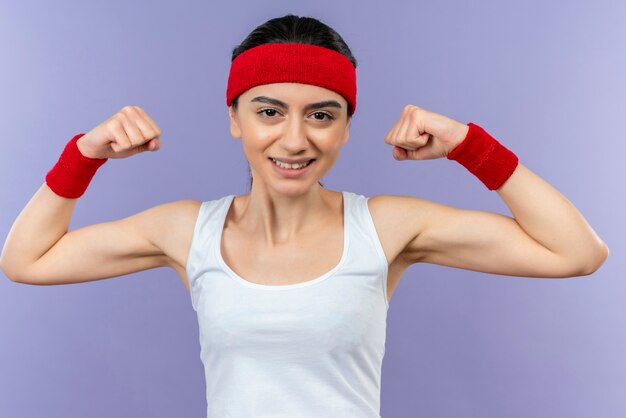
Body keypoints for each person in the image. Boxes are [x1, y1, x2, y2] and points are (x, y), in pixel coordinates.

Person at [0, 13, 609, 418]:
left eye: (321, 114)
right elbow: (25, 260)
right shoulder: (188, 231)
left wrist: (469, 143)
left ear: (346, 129)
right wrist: (82, 156)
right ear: (234, 119)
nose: (295, 140)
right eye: (269, 111)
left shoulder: (387, 227)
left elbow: (577, 252)